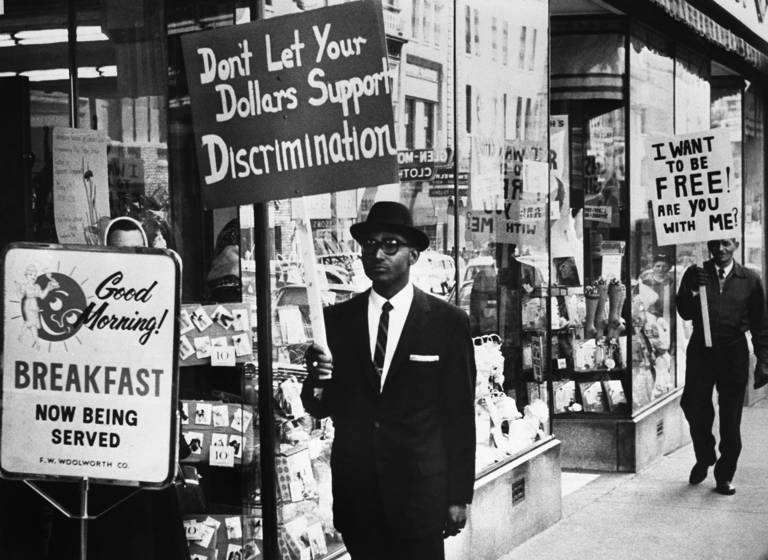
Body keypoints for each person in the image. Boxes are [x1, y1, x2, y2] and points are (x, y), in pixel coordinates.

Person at [301, 201, 476, 560]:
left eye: (390, 245)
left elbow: (459, 415)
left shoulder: (447, 323)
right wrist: (317, 379)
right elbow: (321, 406)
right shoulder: (336, 321)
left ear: (413, 255)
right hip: (359, 496)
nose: (377, 253)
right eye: (369, 245)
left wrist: (459, 496)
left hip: (420, 497)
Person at [676, 238, 768, 496]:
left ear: (736, 245)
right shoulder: (696, 272)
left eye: (726, 244)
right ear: (709, 246)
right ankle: (705, 455)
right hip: (701, 353)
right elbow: (683, 311)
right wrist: (692, 290)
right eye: (715, 244)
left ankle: (725, 474)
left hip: (733, 353)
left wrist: (764, 361)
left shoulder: (749, 279)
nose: (720, 249)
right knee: (692, 405)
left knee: (730, 419)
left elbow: (761, 324)